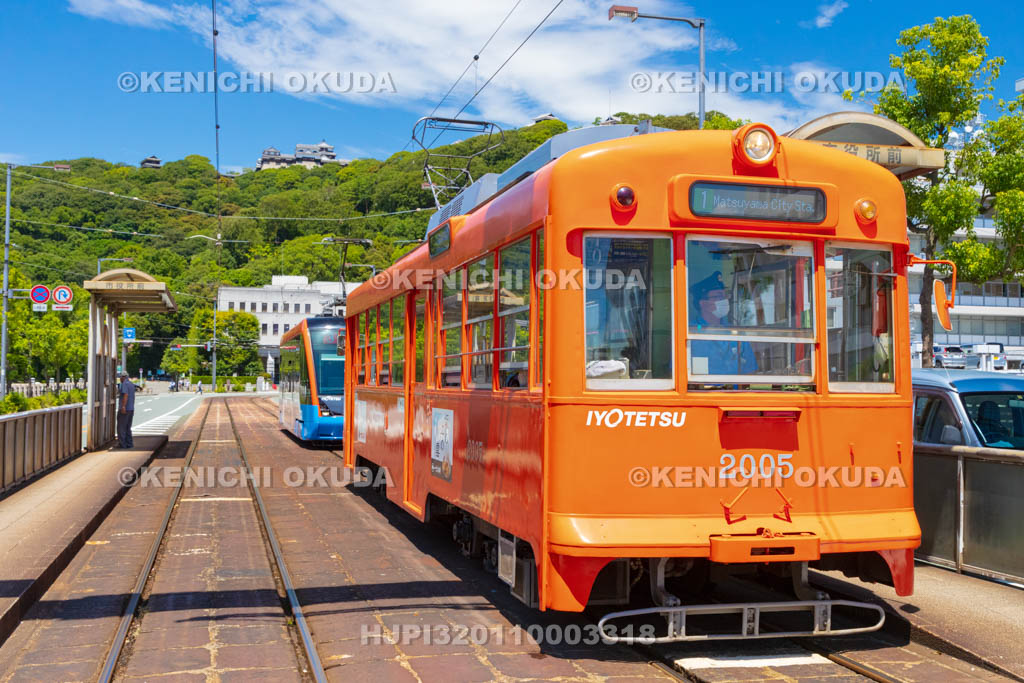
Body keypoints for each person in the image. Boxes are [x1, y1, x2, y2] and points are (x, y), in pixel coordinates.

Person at [689, 271, 757, 375]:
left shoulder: (736, 332)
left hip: (734, 391)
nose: (725, 300)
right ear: (703, 303)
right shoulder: (690, 331)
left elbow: (750, 371)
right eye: (719, 296)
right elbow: (678, 372)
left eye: (725, 296)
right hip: (702, 390)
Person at [117, 372, 136, 448]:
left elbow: (125, 395)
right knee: (128, 427)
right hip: (131, 409)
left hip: (125, 409)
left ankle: (122, 444)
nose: (120, 379)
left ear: (123, 377)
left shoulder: (124, 384)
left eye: (120, 377)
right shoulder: (131, 384)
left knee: (121, 427)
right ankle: (129, 444)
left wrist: (123, 406)